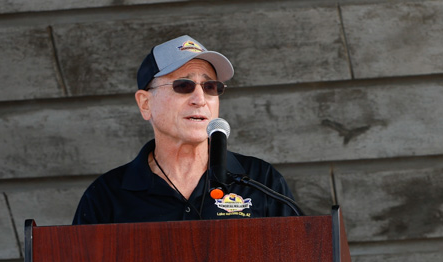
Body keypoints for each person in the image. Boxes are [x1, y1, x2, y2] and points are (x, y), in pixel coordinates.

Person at [72, 35, 300, 224]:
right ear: (145, 103)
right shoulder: (107, 195)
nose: (200, 99)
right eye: (183, 85)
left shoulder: (261, 180)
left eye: (211, 86)